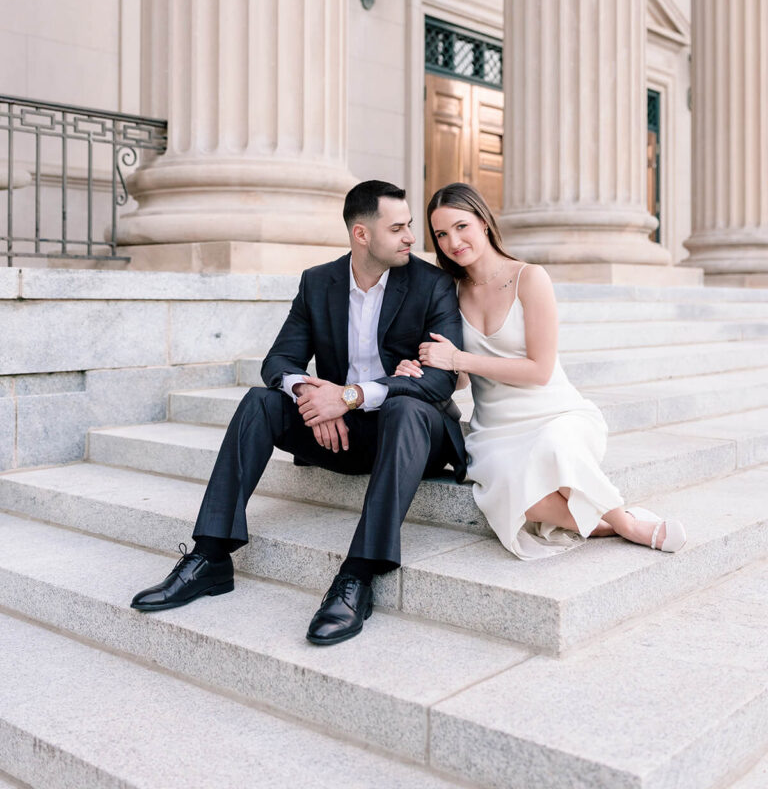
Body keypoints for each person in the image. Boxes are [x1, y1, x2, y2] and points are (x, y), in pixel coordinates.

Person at [131, 180, 466, 643]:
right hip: (339, 434)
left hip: (411, 437)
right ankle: (210, 557)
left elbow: (439, 381)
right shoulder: (317, 282)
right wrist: (313, 396)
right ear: (361, 234)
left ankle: (357, 577)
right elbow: (278, 362)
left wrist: (348, 396)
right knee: (260, 402)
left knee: (406, 409)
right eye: (398, 228)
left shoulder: (432, 285)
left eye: (409, 226)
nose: (411, 236)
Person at [394, 182, 686, 560]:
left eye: (461, 226)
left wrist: (457, 359)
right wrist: (425, 366)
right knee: (514, 493)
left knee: (553, 447)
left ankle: (629, 524)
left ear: (483, 221)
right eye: (441, 234)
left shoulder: (530, 278)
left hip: (555, 412)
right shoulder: (449, 291)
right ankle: (607, 525)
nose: (453, 241)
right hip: (496, 429)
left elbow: (540, 370)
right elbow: (461, 378)